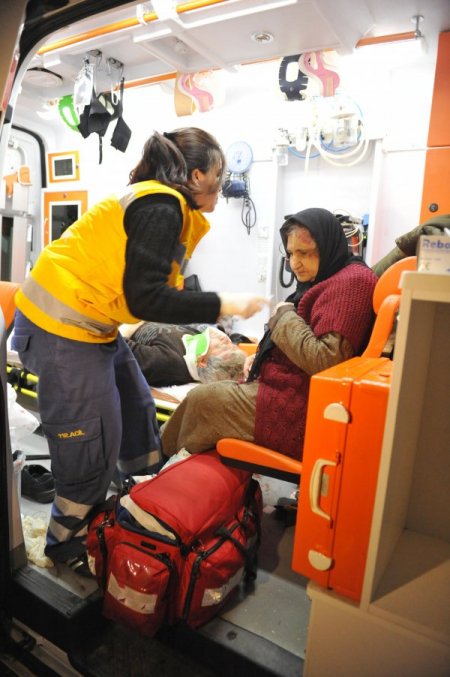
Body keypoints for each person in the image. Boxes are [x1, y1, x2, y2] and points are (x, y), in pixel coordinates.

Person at [11, 127, 267, 575]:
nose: (222, 182)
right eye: (219, 172)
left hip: (92, 325)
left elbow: (144, 289)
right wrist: (224, 305)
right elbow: (147, 298)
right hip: (60, 326)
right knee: (92, 439)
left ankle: (140, 500)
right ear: (197, 175)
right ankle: (67, 543)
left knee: (136, 409)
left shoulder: (168, 208)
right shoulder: (161, 205)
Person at [160, 207, 378, 462]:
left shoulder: (352, 283)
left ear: (327, 246)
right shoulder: (328, 278)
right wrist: (261, 357)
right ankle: (166, 457)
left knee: (204, 400)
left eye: (304, 253)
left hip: (298, 408)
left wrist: (283, 316)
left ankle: (162, 460)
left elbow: (326, 360)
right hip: (286, 389)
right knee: (205, 396)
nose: (295, 263)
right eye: (291, 254)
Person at [120, 321, 247, 387]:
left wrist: (130, 324)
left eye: (222, 346)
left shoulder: (168, 362)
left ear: (202, 361)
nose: (224, 339)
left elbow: (119, 348)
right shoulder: (196, 343)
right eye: (231, 345)